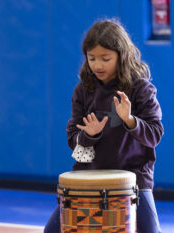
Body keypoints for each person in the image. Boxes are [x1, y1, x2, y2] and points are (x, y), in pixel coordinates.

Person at [44, 19, 163, 233]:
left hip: (134, 178)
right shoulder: (83, 90)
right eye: (92, 58)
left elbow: (154, 135)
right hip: (89, 174)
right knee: (51, 230)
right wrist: (90, 135)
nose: (98, 65)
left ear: (121, 55)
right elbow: (73, 139)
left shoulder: (140, 88)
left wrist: (130, 121)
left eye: (105, 59)